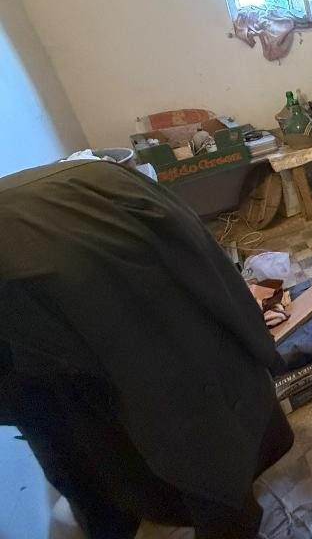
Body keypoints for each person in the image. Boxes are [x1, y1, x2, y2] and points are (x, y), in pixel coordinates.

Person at [0, 160, 294, 538]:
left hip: (82, 272)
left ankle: (215, 513)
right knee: (201, 395)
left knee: (182, 426)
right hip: (116, 203)